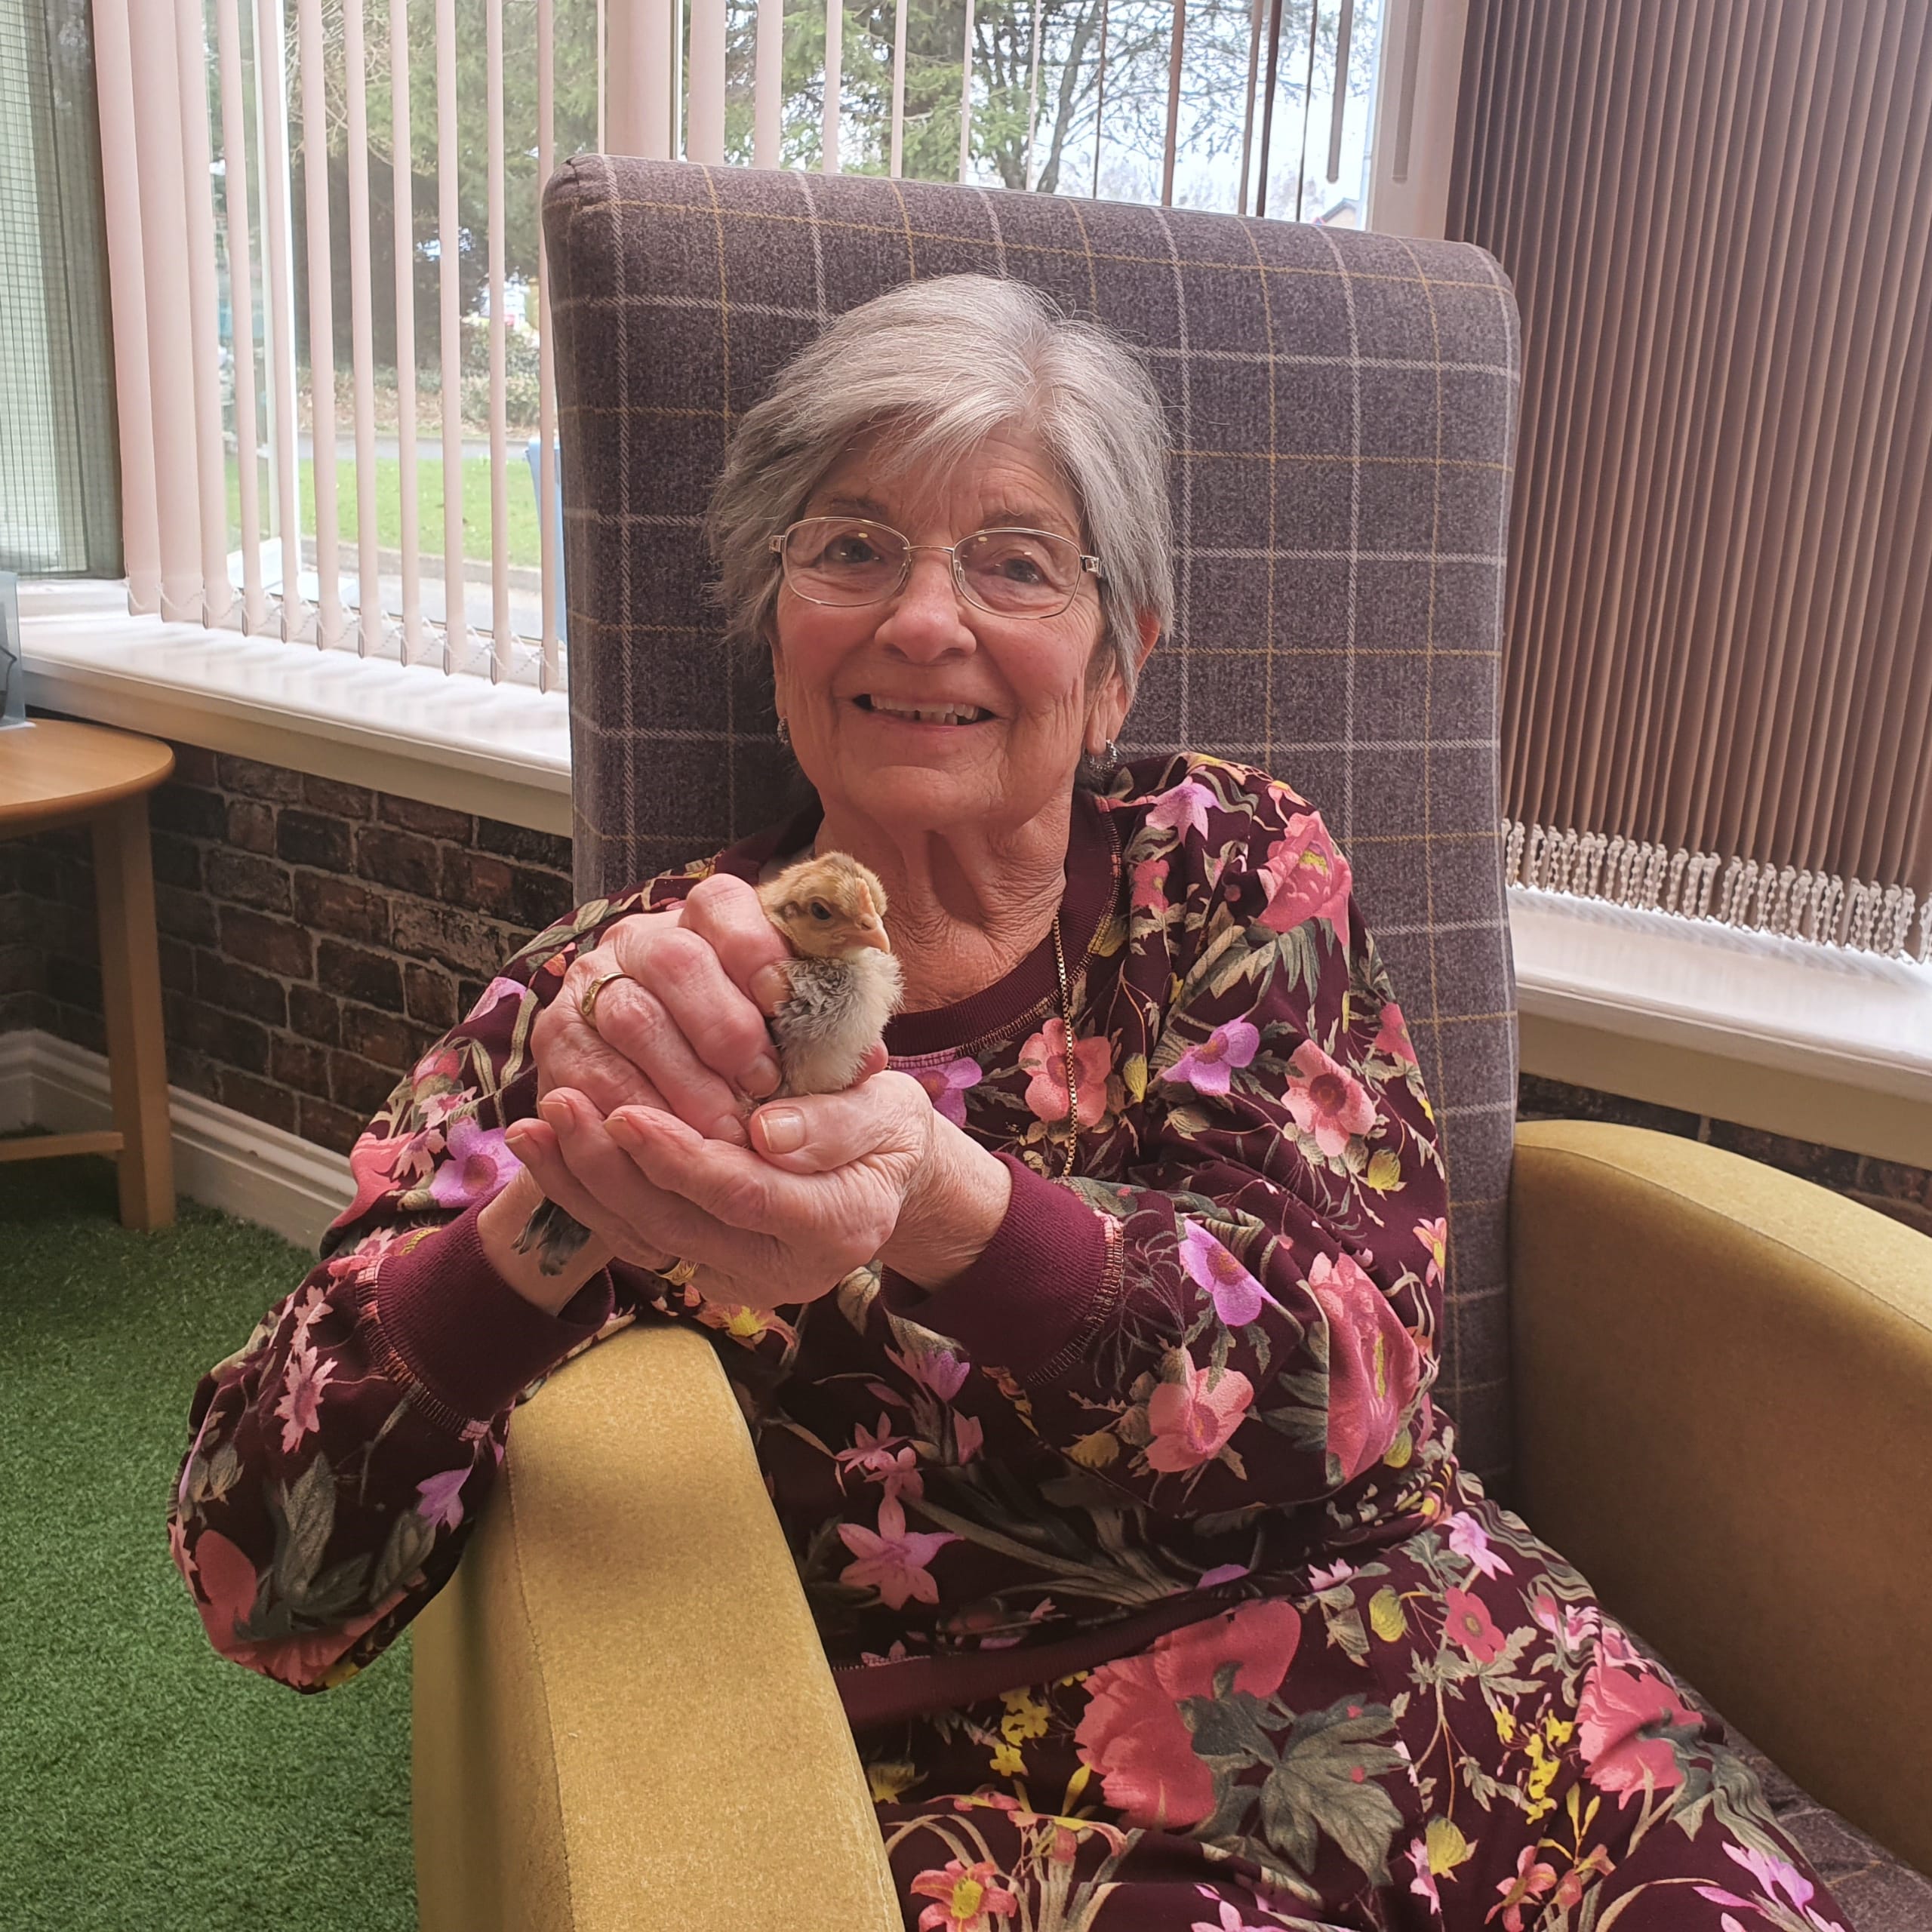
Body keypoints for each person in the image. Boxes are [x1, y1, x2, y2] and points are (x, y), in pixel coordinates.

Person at [170, 275, 1845, 1931]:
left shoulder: (1233, 870)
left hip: (1453, 1681)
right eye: (848, 546)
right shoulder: (616, 1003)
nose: (919, 617)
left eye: (1013, 562)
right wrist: (561, 1208)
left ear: (1115, 663)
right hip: (1013, 1794)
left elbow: (1363, 1387)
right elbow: (263, 1571)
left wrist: (945, 1201)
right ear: (774, 628)